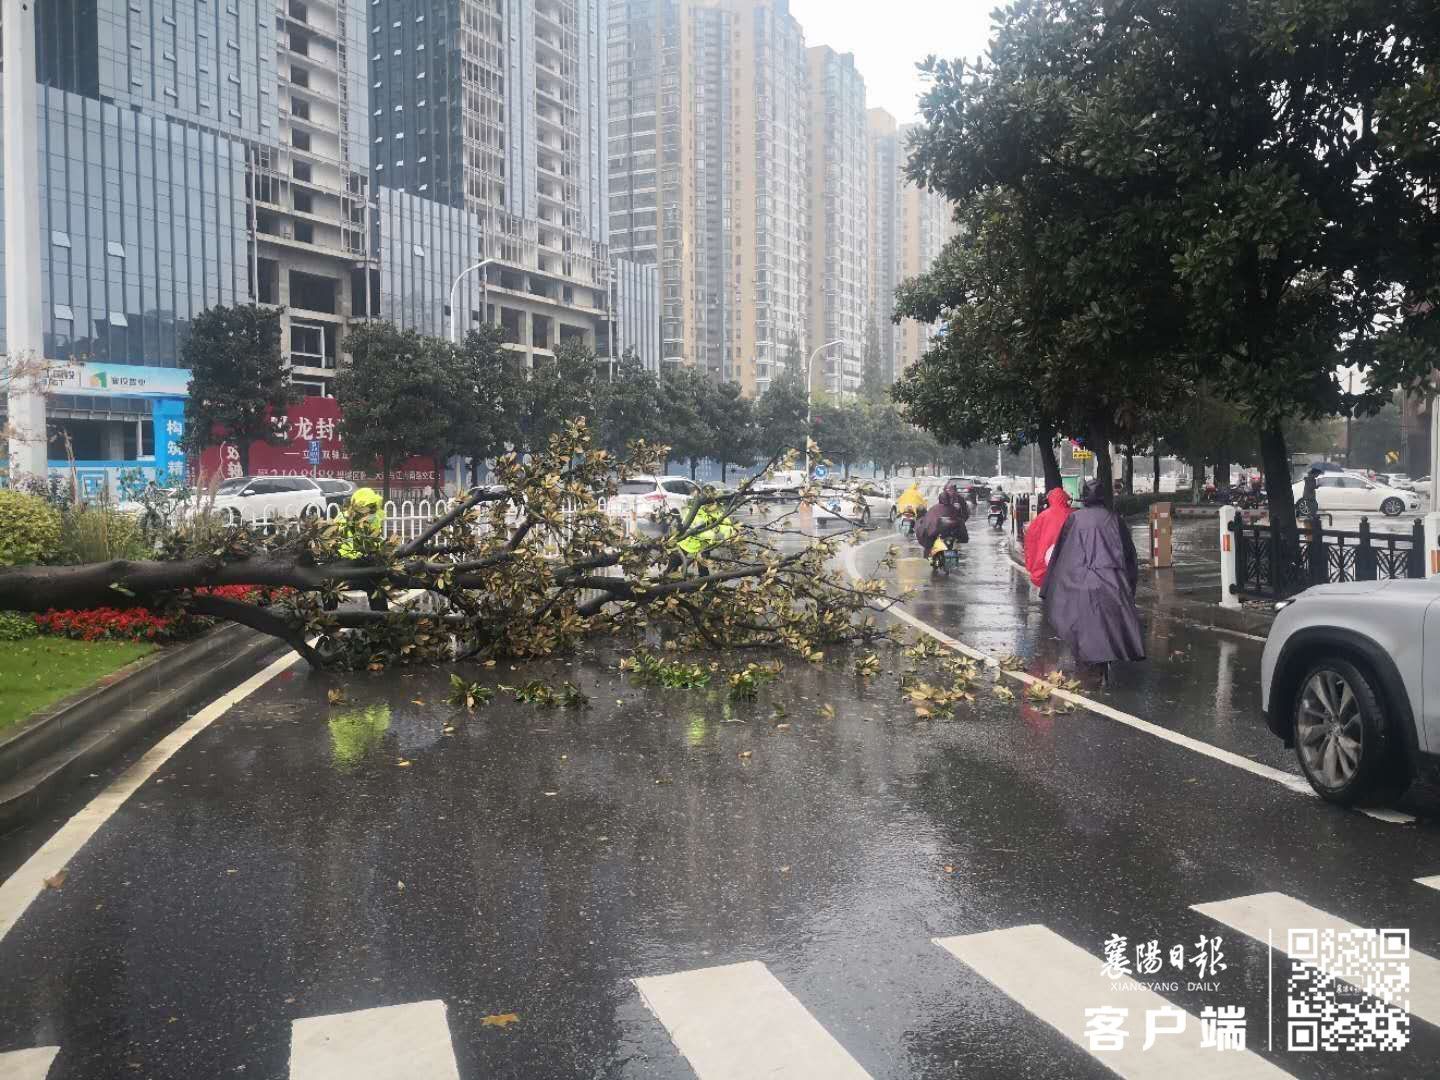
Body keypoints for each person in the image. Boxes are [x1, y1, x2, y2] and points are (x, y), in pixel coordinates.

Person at [1040, 479, 1144, 681]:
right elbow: (1129, 555)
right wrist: (1129, 586)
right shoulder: (1114, 519)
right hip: (1111, 581)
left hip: (1078, 579)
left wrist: (1050, 585)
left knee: (1079, 621)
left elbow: (1060, 553)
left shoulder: (1075, 519)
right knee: (1110, 622)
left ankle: (1086, 663)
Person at [336, 487, 389, 611]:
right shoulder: (343, 518)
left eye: (372, 507)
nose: (370, 510)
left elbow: (375, 541)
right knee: (329, 587)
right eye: (368, 507)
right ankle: (328, 618)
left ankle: (381, 620)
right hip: (344, 562)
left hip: (366, 561)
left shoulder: (374, 518)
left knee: (376, 586)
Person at [666, 487, 737, 575]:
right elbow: (684, 525)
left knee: (703, 569)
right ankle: (667, 579)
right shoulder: (693, 509)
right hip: (685, 544)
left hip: (703, 545)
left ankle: (705, 583)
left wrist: (714, 533)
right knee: (672, 566)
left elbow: (728, 530)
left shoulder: (718, 512)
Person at [1023, 486, 1073, 590]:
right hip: (1068, 555)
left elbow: (1031, 538)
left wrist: (1031, 562)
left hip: (1047, 556)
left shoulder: (1043, 516)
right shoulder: (1073, 514)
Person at [914, 481, 969, 563]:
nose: (950, 492)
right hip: (942, 530)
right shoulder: (938, 507)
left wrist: (959, 521)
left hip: (953, 528)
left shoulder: (959, 500)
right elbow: (933, 515)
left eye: (951, 490)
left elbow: (965, 513)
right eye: (948, 490)